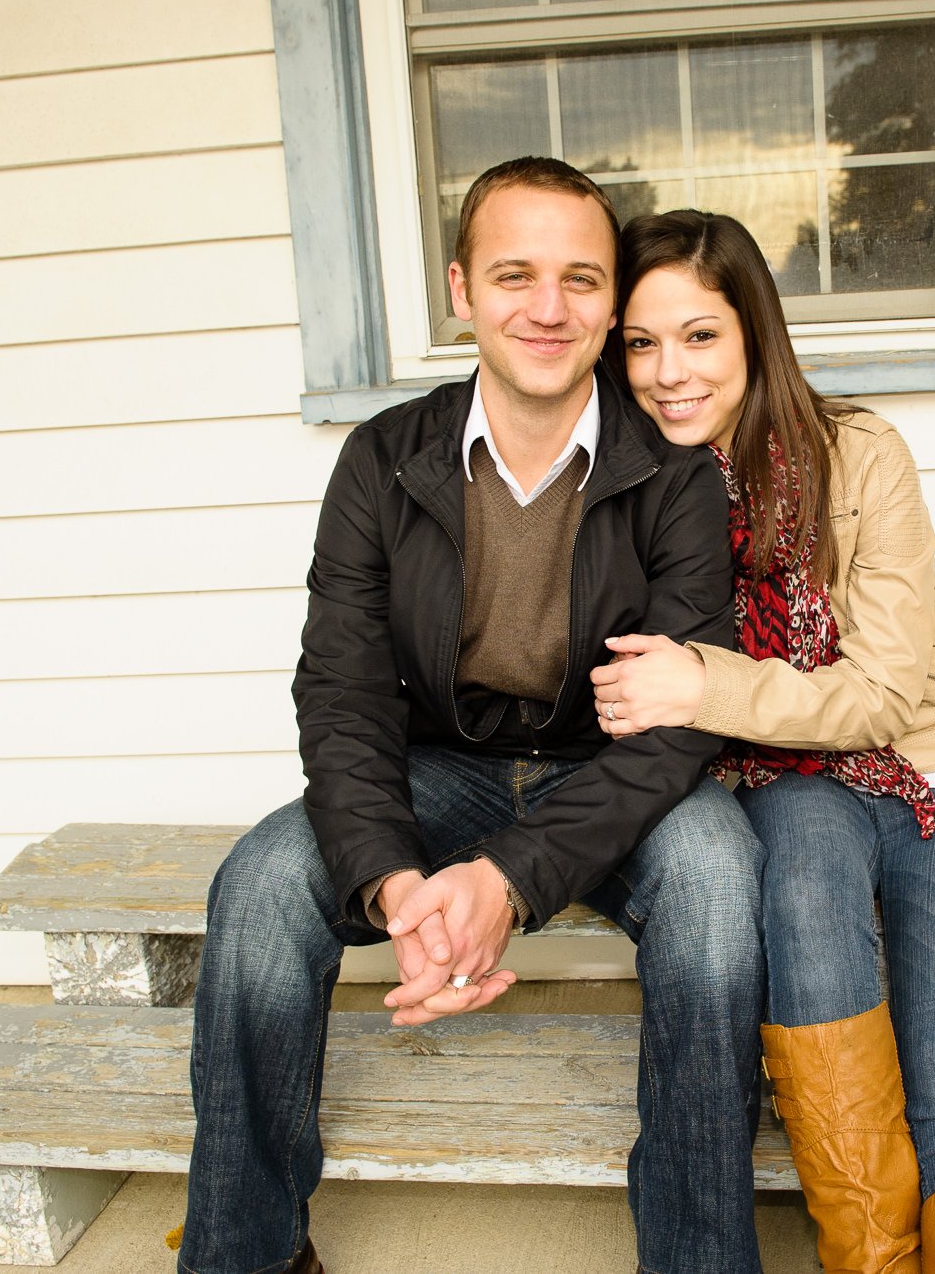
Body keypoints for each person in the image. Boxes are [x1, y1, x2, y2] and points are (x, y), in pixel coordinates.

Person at [178, 163, 767, 1274]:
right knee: (258, 882)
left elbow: (683, 721)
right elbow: (341, 690)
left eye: (579, 279)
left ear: (608, 299)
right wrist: (396, 881)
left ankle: (697, 1258)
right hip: (437, 766)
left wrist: (506, 877)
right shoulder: (380, 460)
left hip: (615, 776)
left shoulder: (676, 477)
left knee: (717, 884)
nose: (548, 308)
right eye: (514, 274)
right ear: (461, 288)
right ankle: (244, 1253)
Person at [591, 211, 935, 1274]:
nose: (668, 371)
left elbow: (883, 694)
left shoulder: (856, 449)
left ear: (753, 332)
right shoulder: (616, 492)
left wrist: (700, 681)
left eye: (699, 335)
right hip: (789, 783)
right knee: (805, 923)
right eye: (639, 341)